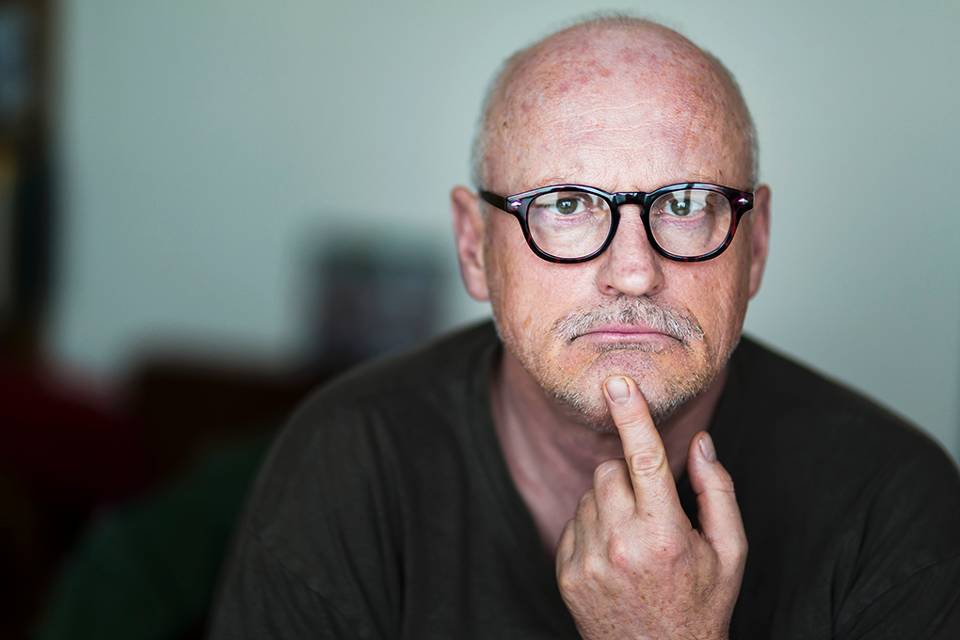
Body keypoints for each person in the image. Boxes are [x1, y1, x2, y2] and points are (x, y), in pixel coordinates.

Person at [208, 15, 960, 639]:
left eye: (684, 204)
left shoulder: (896, 506)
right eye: (565, 205)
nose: (632, 272)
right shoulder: (345, 461)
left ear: (755, 244)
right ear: (474, 248)